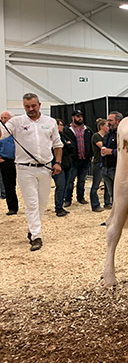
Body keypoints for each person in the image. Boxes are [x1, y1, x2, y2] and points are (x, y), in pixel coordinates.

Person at [0, 93, 63, 251]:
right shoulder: (17, 121)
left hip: (46, 168)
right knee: (32, 203)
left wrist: (58, 162)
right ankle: (36, 236)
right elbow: (2, 134)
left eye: (33, 106)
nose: (31, 109)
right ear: (24, 106)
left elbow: (57, 143)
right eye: (27, 106)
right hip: (24, 169)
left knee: (42, 203)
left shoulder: (50, 122)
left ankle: (33, 229)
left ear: (39, 105)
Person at [63, 110, 93, 207]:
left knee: (82, 180)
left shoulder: (87, 129)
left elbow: (91, 143)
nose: (80, 118)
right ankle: (67, 199)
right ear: (73, 117)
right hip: (73, 160)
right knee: (70, 180)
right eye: (77, 116)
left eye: (81, 116)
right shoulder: (67, 130)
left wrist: (90, 155)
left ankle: (81, 198)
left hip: (85, 159)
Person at [53, 119, 75, 217]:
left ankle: (61, 205)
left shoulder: (63, 136)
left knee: (65, 186)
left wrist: (67, 146)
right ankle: (58, 208)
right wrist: (67, 145)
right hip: (58, 165)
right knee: (60, 186)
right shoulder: (53, 138)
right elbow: (61, 148)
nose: (62, 127)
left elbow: (72, 147)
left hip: (67, 164)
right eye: (60, 125)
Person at [101, 111, 122, 206]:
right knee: (112, 194)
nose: (108, 122)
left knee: (119, 195)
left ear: (118, 121)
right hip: (106, 167)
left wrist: (112, 152)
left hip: (117, 168)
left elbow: (127, 150)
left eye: (111, 120)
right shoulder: (108, 133)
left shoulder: (122, 134)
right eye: (108, 120)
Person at [0, 111, 18, 215]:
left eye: (5, 118)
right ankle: (12, 207)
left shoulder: (17, 131)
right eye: (1, 118)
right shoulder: (1, 133)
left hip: (21, 161)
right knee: (9, 185)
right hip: (6, 161)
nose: (3, 120)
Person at [90, 119, 110, 212]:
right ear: (101, 126)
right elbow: (103, 147)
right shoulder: (96, 136)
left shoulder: (107, 136)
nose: (108, 127)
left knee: (107, 184)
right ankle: (95, 205)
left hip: (106, 163)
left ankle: (107, 202)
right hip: (98, 162)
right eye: (107, 125)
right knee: (96, 185)